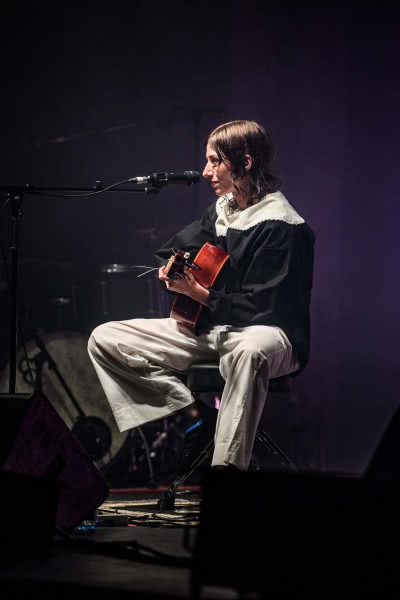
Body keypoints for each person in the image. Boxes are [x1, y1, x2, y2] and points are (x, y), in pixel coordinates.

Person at [88, 120, 315, 472]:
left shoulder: (283, 225)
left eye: (214, 161)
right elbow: (172, 250)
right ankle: (195, 415)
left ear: (245, 163)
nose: (206, 170)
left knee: (250, 352)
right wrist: (170, 270)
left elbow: (264, 308)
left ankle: (226, 473)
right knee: (106, 339)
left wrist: (200, 294)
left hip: (269, 334)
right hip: (213, 331)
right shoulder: (222, 212)